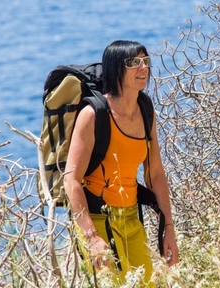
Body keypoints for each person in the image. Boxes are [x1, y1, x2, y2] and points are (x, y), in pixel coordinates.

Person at [63, 40, 179, 285]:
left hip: (131, 219)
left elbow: (155, 173)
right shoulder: (93, 115)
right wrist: (92, 237)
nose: (143, 68)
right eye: (133, 63)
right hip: (97, 219)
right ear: (116, 68)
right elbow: (71, 180)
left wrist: (169, 228)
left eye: (145, 61)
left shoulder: (146, 110)